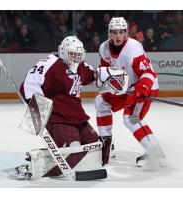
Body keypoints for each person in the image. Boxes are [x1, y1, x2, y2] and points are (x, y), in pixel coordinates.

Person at [18, 36, 101, 178]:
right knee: (75, 147)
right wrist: (38, 111)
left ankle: (60, 159)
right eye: (73, 54)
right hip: (58, 119)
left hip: (78, 117)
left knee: (96, 145)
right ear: (63, 52)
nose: (76, 58)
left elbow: (92, 74)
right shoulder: (50, 64)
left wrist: (107, 74)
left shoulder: (79, 64)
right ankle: (34, 166)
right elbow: (28, 85)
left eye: (79, 55)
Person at [94, 17, 166, 167]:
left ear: (126, 32)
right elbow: (107, 72)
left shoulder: (133, 48)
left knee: (131, 118)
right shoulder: (104, 48)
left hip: (145, 85)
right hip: (126, 86)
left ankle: (156, 153)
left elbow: (148, 73)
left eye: (121, 32)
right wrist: (106, 82)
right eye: (114, 32)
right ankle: (107, 146)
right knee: (100, 102)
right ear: (109, 33)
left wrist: (143, 88)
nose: (118, 36)